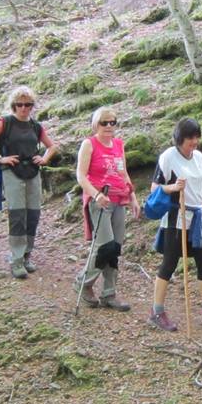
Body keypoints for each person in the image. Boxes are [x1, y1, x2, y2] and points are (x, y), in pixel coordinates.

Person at [146, 117, 202, 331]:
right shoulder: (168, 157)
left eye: (196, 137)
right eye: (189, 138)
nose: (194, 142)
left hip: (197, 216)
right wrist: (173, 188)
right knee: (169, 263)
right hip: (176, 217)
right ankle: (157, 311)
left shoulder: (200, 157)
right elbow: (154, 188)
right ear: (179, 139)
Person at [0, 86, 58, 278]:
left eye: (28, 104)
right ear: (14, 105)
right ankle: (16, 259)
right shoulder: (5, 123)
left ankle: (26, 255)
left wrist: (45, 158)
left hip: (32, 171)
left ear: (32, 106)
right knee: (17, 214)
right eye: (20, 104)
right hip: (12, 171)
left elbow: (52, 145)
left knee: (33, 214)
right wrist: (0, 158)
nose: (24, 108)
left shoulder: (35, 126)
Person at [75, 106, 139, 310]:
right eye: (105, 122)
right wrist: (96, 194)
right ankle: (83, 283)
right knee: (105, 246)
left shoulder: (119, 145)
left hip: (119, 199)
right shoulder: (89, 144)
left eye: (113, 122)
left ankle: (109, 293)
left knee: (115, 248)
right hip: (99, 200)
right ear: (96, 124)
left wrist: (133, 197)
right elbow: (81, 175)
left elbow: (124, 174)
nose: (109, 126)